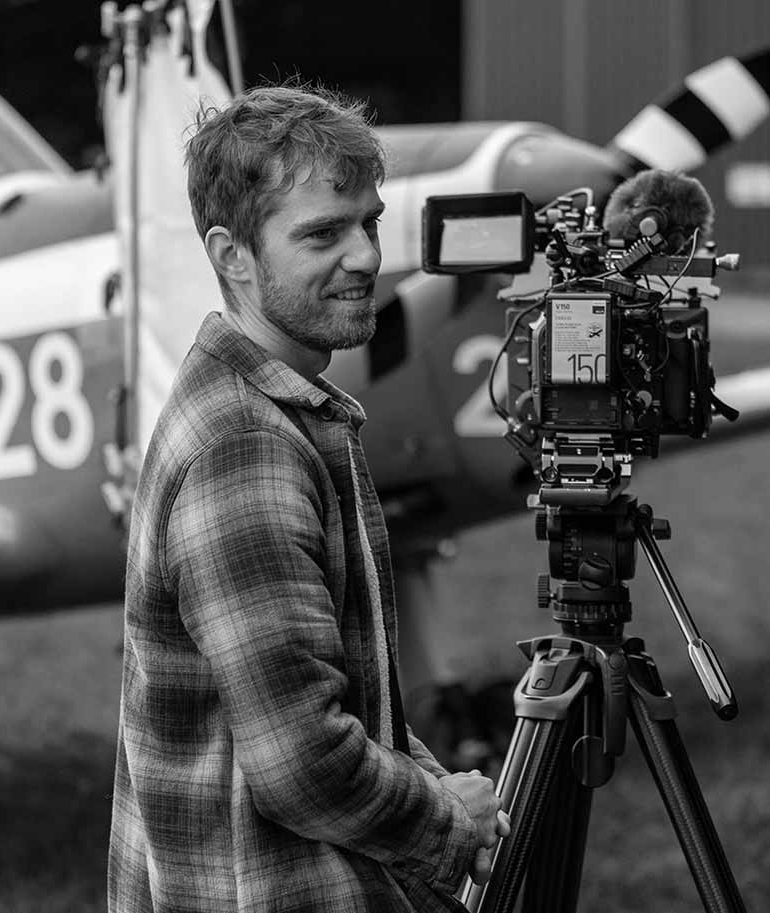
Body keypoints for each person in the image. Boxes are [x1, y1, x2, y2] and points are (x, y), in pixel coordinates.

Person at [107, 83, 509, 913]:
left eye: (369, 222)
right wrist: (444, 816)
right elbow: (303, 764)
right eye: (323, 233)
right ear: (232, 255)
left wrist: (430, 775)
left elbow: (346, 699)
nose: (365, 255)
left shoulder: (281, 408)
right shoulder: (245, 447)